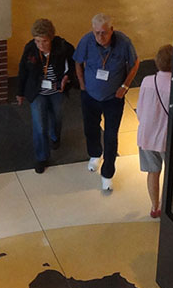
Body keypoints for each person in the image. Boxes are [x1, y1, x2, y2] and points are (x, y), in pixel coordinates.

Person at [74, 13, 139, 194]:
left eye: (103, 33)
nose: (100, 37)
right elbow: (78, 61)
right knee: (90, 128)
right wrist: (81, 83)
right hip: (90, 95)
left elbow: (135, 63)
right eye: (96, 33)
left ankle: (108, 174)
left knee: (111, 136)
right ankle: (95, 154)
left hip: (113, 99)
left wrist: (125, 86)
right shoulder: (87, 41)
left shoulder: (124, 42)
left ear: (112, 30)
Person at [15, 18, 76, 174]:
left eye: (44, 41)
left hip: (56, 91)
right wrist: (20, 92)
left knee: (57, 117)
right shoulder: (30, 49)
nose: (40, 45)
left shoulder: (63, 47)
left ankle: (55, 136)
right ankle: (41, 157)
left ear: (51, 38)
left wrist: (67, 78)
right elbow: (23, 71)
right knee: (39, 125)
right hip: (37, 92)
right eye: (37, 41)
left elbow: (75, 66)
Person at [135, 44, 173, 219]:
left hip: (147, 135)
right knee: (171, 174)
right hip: (167, 137)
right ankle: (168, 208)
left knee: (153, 172)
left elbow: (140, 110)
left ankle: (154, 207)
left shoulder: (147, 81)